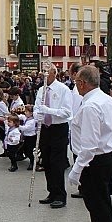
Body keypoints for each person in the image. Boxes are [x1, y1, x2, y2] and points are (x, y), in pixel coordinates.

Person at [67, 65, 112, 222]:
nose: (76, 86)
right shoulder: (104, 98)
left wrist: (77, 169)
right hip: (106, 157)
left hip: (95, 161)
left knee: (98, 208)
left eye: (76, 82)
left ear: (82, 83)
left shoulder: (90, 106)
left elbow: (89, 145)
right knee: (101, 206)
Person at [34, 65, 73, 209]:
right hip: (45, 127)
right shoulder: (41, 90)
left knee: (57, 162)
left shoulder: (63, 89)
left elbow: (67, 112)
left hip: (58, 128)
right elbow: (37, 107)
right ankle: (51, 191)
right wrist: (37, 114)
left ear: (53, 74)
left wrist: (49, 110)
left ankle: (60, 195)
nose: (43, 77)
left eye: (46, 74)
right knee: (47, 161)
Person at [18, 105, 37, 170]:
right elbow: (20, 116)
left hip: (31, 137)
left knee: (29, 150)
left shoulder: (32, 121)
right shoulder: (26, 118)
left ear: (31, 113)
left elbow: (25, 128)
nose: (25, 112)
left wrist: (17, 126)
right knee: (25, 149)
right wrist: (13, 117)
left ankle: (32, 162)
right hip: (26, 137)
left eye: (26, 111)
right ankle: (29, 158)